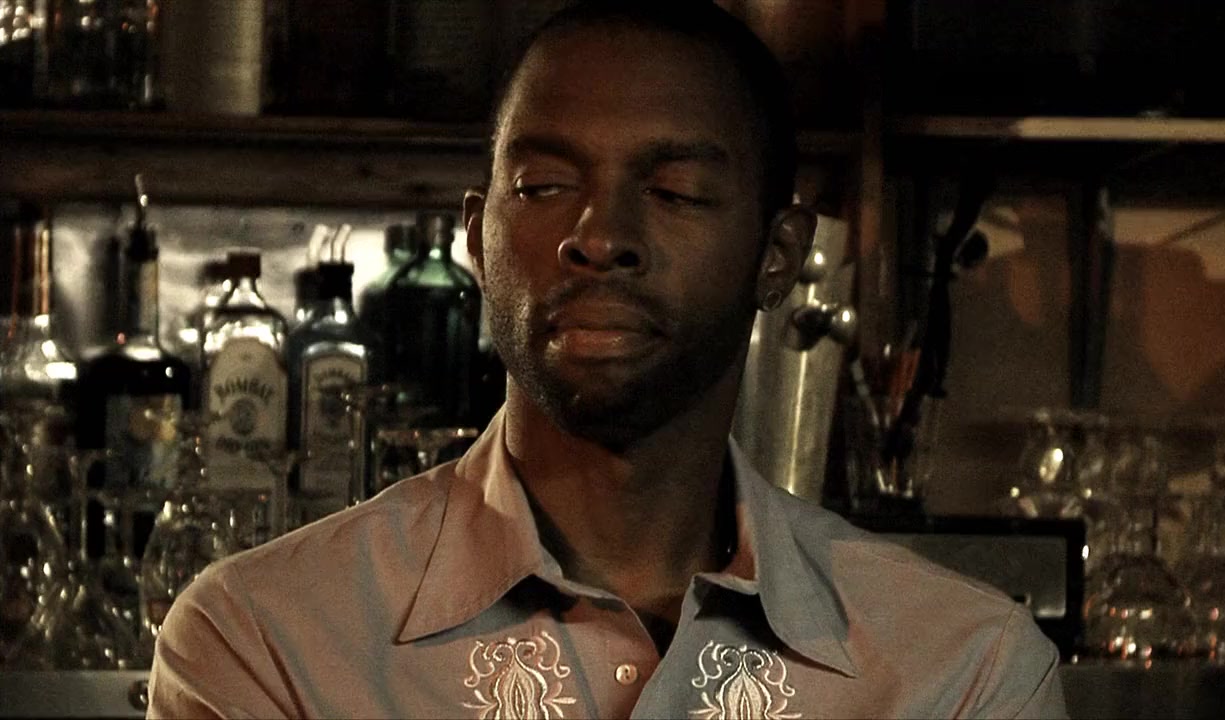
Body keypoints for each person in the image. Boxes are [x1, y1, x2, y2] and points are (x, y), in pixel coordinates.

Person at [148, 2, 1068, 718]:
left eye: (677, 192)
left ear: (779, 255)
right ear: (477, 239)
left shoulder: (960, 669)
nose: (598, 235)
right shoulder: (267, 639)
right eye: (543, 185)